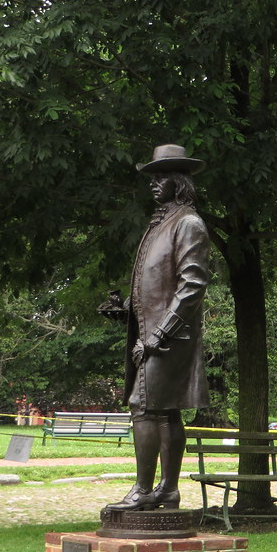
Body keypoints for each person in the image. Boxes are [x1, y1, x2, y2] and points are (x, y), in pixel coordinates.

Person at [99, 144, 210, 511]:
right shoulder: (161, 223)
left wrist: (157, 335)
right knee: (163, 410)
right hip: (155, 332)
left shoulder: (188, 223)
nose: (154, 184)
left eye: (160, 177)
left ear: (177, 182)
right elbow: (155, 284)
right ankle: (167, 490)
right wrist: (126, 310)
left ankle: (145, 491)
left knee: (144, 408)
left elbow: (192, 285)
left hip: (168, 337)